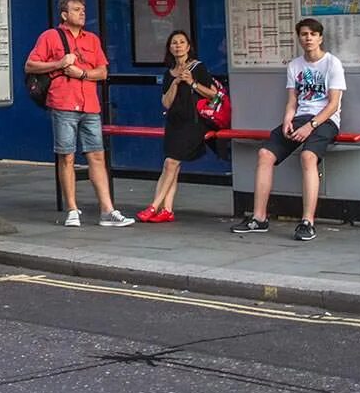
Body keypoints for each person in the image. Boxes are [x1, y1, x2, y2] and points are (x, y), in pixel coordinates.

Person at [25, 0, 135, 228]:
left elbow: (103, 72)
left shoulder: (92, 39)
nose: (82, 13)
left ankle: (107, 210)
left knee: (97, 155)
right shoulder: (50, 37)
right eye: (76, 9)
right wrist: (59, 63)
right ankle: (72, 209)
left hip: (90, 105)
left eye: (83, 9)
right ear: (64, 15)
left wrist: (82, 73)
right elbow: (30, 65)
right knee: (67, 156)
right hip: (63, 102)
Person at [232, 18, 346, 242]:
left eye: (313, 34)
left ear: (320, 38)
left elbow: (333, 104)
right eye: (304, 34)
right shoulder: (295, 65)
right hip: (301, 117)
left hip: (325, 121)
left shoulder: (333, 64)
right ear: (299, 38)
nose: (308, 38)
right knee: (265, 154)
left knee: (307, 156)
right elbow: (292, 100)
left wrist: (310, 126)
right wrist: (287, 120)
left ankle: (307, 222)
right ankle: (259, 217)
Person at [136, 30, 222, 224]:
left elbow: (213, 95)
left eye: (182, 42)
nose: (178, 46)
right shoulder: (169, 73)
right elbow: (166, 102)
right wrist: (175, 82)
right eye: (174, 43)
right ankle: (167, 209)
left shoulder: (198, 67)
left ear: (188, 46)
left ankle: (154, 206)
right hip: (174, 123)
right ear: (169, 48)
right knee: (171, 165)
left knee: (171, 163)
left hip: (194, 123)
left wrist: (192, 83)